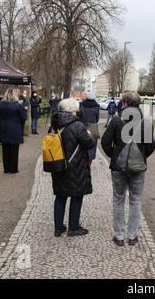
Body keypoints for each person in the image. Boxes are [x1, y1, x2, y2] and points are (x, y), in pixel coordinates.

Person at [102, 92, 155, 247]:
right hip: (138, 168)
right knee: (136, 200)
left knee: (118, 199)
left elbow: (105, 142)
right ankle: (132, 236)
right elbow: (151, 146)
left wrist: (114, 156)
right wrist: (141, 157)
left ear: (125, 103)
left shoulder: (117, 121)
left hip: (118, 167)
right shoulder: (145, 122)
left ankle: (119, 236)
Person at [51, 98, 96, 238]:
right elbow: (88, 144)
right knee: (76, 196)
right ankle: (73, 227)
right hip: (75, 166)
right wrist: (90, 135)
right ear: (73, 109)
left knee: (60, 196)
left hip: (58, 164)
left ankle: (58, 228)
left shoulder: (56, 123)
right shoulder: (78, 125)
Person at [0, 88, 25, 174]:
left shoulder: (1, 104)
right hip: (15, 127)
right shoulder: (17, 105)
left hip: (4, 127)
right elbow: (23, 117)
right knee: (14, 149)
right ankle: (13, 168)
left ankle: (6, 168)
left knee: (5, 149)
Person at [79, 92, 100, 165]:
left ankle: (82, 160)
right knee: (92, 145)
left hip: (82, 126)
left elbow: (79, 116)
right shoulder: (97, 106)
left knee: (82, 142)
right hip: (93, 127)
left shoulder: (81, 104)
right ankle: (89, 162)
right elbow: (97, 119)